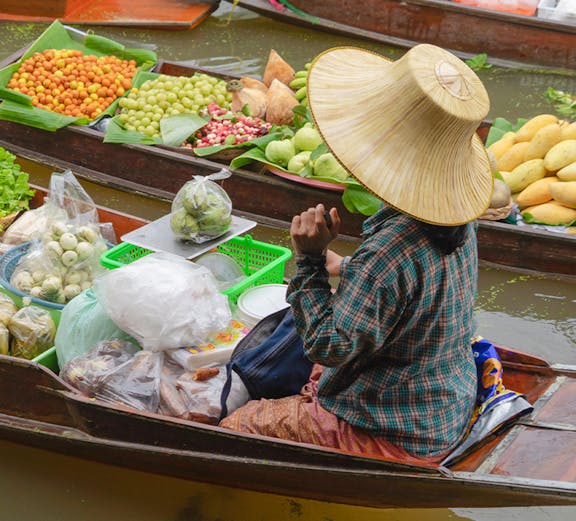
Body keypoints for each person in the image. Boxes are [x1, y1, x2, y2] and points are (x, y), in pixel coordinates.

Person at [220, 43, 494, 463]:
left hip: (392, 427)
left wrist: (310, 259)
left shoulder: (388, 252)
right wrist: (345, 267)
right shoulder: (456, 218)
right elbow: (414, 288)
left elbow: (327, 346)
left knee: (234, 425)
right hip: (443, 401)